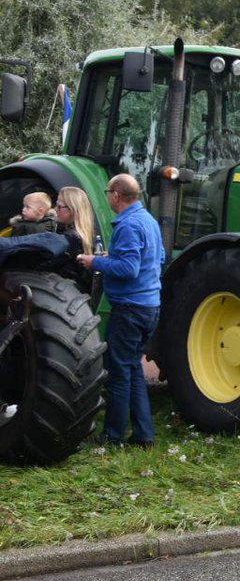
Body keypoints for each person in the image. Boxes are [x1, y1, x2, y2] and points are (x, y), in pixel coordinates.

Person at [78, 174, 165, 447]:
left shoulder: (127, 225)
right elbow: (158, 257)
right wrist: (111, 258)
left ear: (116, 195)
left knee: (118, 374)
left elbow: (129, 269)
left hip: (129, 309)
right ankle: (143, 434)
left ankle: (112, 435)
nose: (107, 197)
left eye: (107, 193)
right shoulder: (149, 220)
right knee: (134, 370)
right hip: (150, 307)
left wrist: (95, 262)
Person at [40, 186, 96, 290]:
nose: (55, 209)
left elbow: (45, 266)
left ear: (73, 210)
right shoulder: (85, 233)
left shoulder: (70, 238)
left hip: (64, 294)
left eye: (59, 206)